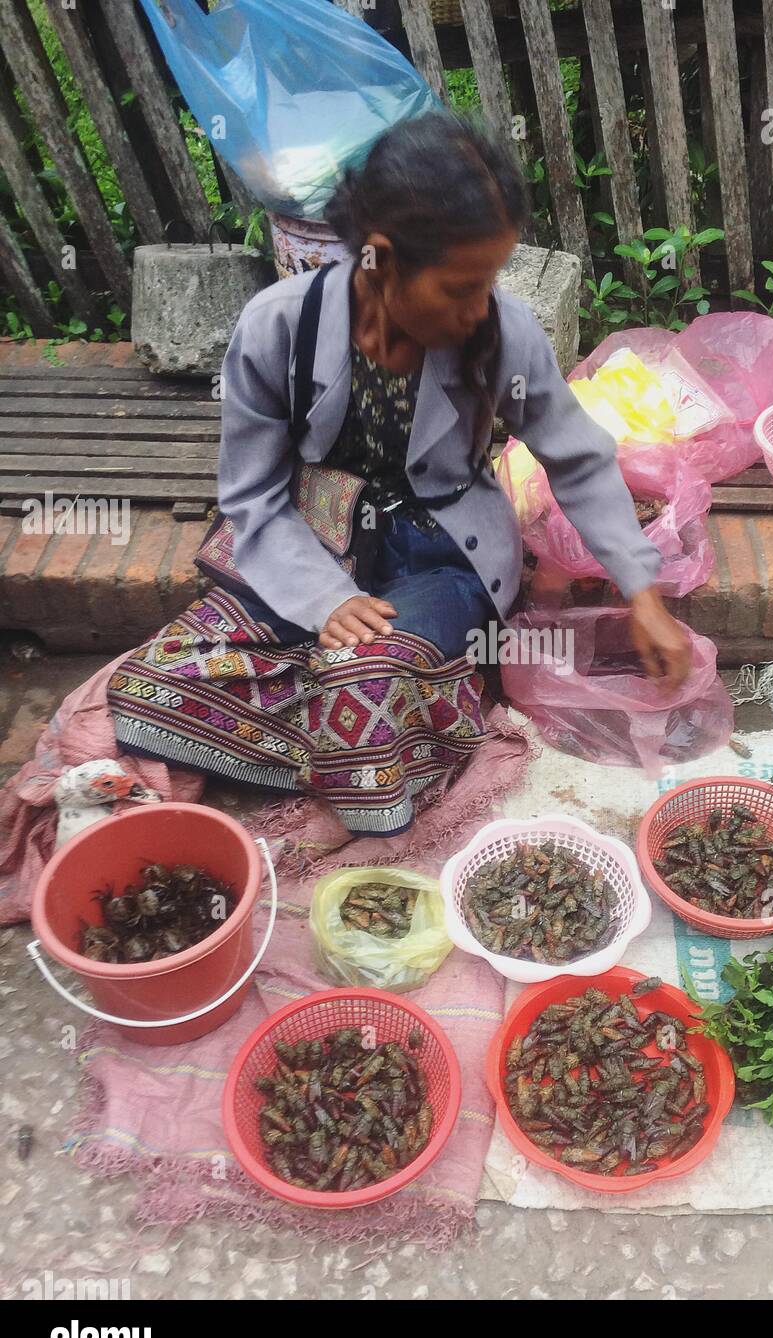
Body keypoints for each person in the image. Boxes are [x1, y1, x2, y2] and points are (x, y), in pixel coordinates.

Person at [107, 112, 691, 836]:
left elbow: (576, 453)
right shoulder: (276, 326)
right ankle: (381, 722)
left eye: (489, 282)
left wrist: (642, 588)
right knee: (147, 688)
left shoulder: (501, 331)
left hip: (440, 557)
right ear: (382, 257)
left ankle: (348, 717)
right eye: (459, 287)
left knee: (364, 685)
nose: (480, 306)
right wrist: (325, 599)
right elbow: (253, 498)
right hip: (311, 542)